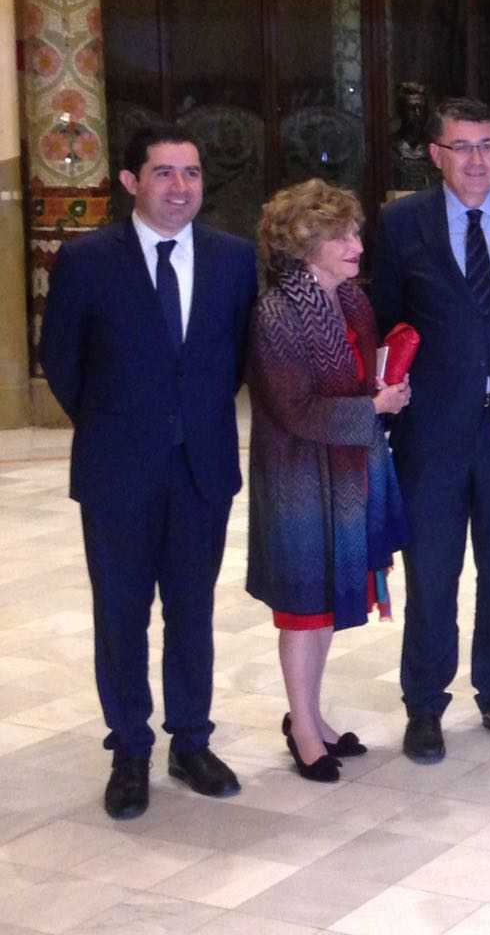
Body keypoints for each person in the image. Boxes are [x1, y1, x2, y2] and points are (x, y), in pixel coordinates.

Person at [39, 123, 257, 820]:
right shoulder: (87, 261)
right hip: (117, 470)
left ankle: (191, 741)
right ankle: (130, 749)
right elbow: (62, 362)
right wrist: (121, 423)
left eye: (191, 173)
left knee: (192, 612)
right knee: (121, 614)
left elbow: (237, 359)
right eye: (164, 172)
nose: (180, 187)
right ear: (131, 181)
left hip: (202, 469)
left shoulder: (233, 259)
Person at [369, 98, 490, 764]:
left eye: (488, 146)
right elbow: (386, 320)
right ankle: (425, 704)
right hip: (430, 431)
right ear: (436, 154)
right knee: (432, 573)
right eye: (462, 147)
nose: (477, 159)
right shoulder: (401, 223)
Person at [245, 180, 412, 783]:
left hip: (345, 474)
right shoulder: (276, 314)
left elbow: (356, 382)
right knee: (302, 608)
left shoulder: (353, 303)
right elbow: (296, 410)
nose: (356, 246)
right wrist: (373, 407)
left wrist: (383, 389)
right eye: (341, 237)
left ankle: (309, 716)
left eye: (356, 233)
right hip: (297, 480)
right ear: (304, 244)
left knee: (325, 604)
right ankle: (304, 732)